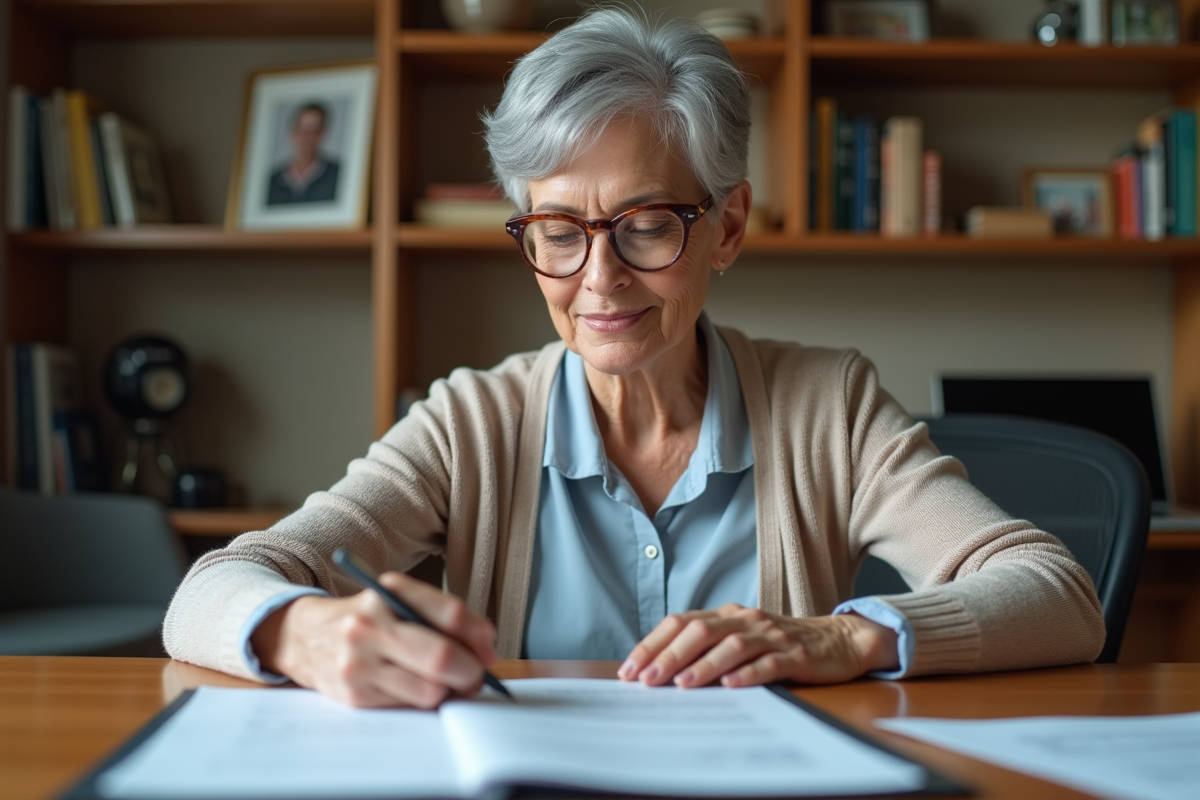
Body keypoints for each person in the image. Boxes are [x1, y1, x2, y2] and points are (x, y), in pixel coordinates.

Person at [165, 7, 1103, 708]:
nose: (599, 279)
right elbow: (212, 589)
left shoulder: (832, 406)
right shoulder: (472, 422)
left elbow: (1058, 595)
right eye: (558, 233)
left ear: (726, 227)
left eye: (647, 227)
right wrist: (304, 630)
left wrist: (841, 638)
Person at [266, 102, 340, 205]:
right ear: (292, 133)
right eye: (303, 131)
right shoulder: (272, 180)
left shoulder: (339, 174)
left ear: (323, 133)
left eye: (315, 131)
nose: (308, 137)